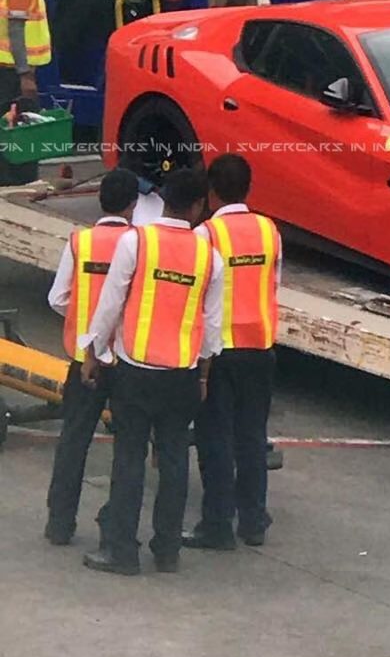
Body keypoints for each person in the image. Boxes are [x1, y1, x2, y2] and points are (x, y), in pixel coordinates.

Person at [79, 168, 223, 575]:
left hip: (135, 371)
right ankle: (167, 550)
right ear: (199, 207)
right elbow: (212, 327)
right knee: (175, 459)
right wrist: (203, 375)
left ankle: (122, 551)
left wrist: (93, 352)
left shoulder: (136, 242)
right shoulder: (208, 257)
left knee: (129, 459)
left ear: (162, 199)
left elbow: (110, 305)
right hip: (181, 373)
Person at [184, 154, 281, 550]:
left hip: (219, 350)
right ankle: (254, 520)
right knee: (252, 437)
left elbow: (197, 295)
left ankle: (217, 524)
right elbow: (274, 282)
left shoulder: (206, 235)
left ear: (211, 192)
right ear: (248, 188)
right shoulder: (268, 230)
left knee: (215, 438)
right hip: (260, 345)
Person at [44, 168, 140, 546]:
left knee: (73, 440)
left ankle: (60, 523)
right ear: (134, 205)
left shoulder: (80, 242)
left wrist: (83, 324)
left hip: (84, 358)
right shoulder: (139, 244)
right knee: (128, 445)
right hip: (128, 359)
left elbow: (57, 298)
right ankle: (115, 523)